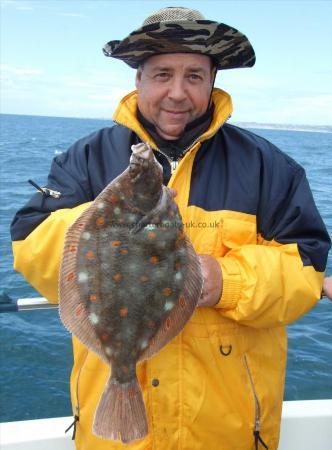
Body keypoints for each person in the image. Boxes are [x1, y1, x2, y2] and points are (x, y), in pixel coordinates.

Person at [10, 6, 331, 450]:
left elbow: (307, 270)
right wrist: (104, 227)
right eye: (162, 74)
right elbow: (29, 246)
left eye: (194, 76)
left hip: (227, 430)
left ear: (213, 81)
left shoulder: (269, 167)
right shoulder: (85, 160)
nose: (177, 93)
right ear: (138, 79)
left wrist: (224, 281)